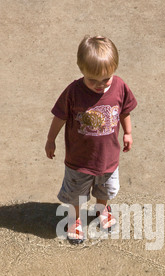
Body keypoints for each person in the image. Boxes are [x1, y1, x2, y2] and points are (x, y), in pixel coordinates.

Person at [45, 35, 137, 244]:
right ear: (81, 70)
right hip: (79, 160)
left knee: (105, 189)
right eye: (92, 80)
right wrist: (51, 139)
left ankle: (101, 209)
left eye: (106, 79)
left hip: (108, 158)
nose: (100, 85)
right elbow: (60, 116)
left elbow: (124, 111)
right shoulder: (73, 92)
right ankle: (74, 219)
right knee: (76, 194)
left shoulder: (120, 86)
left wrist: (128, 132)